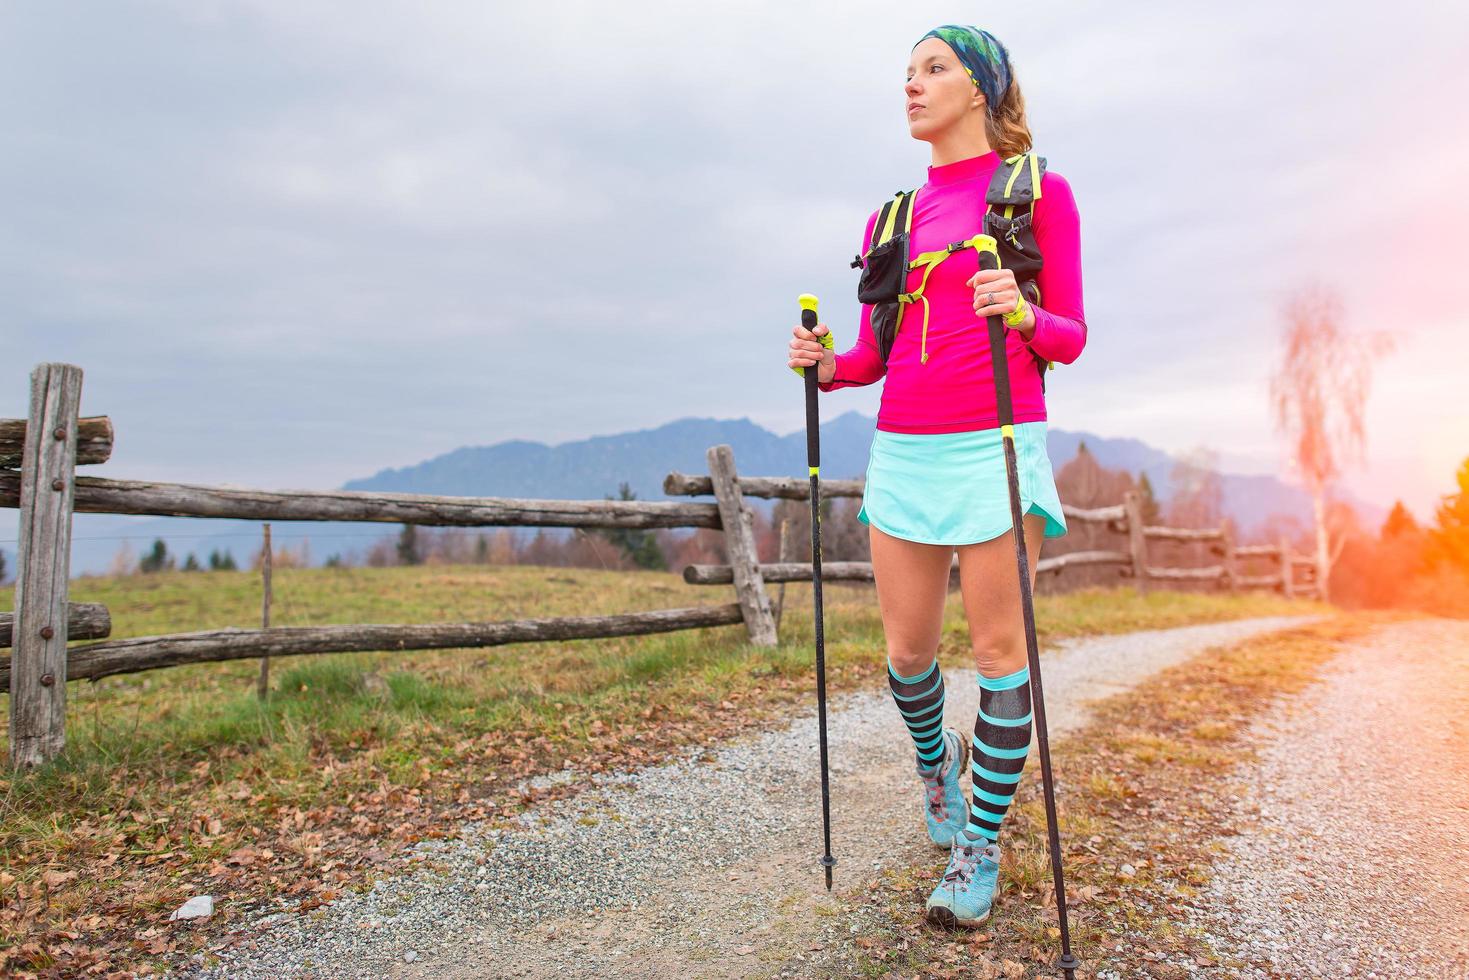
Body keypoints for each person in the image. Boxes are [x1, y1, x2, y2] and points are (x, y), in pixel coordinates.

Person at [786, 24, 1087, 929]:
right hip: (905, 450)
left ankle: (979, 843)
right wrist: (823, 363)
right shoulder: (890, 217)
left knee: (1000, 656)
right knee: (908, 655)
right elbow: (872, 355)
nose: (911, 86)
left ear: (980, 88)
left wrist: (1022, 311)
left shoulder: (1037, 193)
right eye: (907, 73)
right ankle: (936, 767)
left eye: (933, 69)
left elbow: (1068, 335)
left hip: (993, 441)